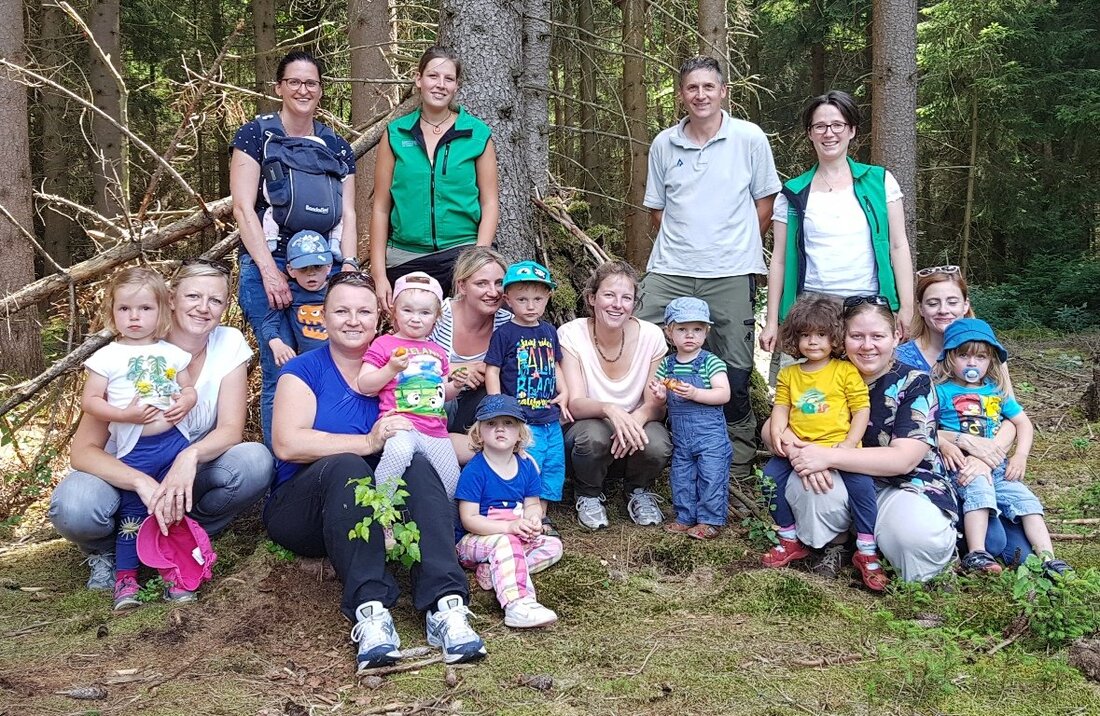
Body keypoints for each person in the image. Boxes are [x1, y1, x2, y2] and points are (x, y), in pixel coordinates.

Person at [266, 271, 485, 670]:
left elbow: (429, 433)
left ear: (378, 316)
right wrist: (368, 442)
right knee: (349, 465)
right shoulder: (304, 370)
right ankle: (371, 610)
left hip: (377, 508)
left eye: (363, 311)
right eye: (342, 311)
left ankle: (445, 605)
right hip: (306, 508)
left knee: (418, 462)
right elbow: (288, 444)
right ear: (323, 315)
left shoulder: (403, 365)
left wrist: (490, 446)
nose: (353, 320)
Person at [49, 259, 272, 593]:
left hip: (183, 474)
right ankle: (109, 549)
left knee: (255, 461)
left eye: (216, 300)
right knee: (74, 506)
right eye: (193, 296)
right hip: (125, 473)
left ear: (226, 307)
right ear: (171, 298)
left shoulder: (229, 343)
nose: (203, 308)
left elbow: (229, 430)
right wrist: (140, 482)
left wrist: (189, 457)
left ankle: (180, 537)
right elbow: (82, 452)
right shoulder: (132, 349)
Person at [639, 55, 782, 480]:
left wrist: (731, 246)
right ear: (681, 94)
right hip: (671, 266)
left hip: (732, 269)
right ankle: (648, 438)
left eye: (708, 87)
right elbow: (657, 209)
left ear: (723, 92)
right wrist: (690, 246)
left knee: (734, 360)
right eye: (691, 88)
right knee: (644, 340)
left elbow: (765, 202)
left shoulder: (749, 138)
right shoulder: (665, 143)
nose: (700, 95)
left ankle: (736, 452)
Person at [776, 296, 959, 583]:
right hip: (839, 477)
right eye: (856, 336)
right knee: (808, 485)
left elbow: (904, 459)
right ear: (841, 337)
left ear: (896, 336)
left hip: (904, 484)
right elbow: (775, 422)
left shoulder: (915, 382)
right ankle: (836, 545)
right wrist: (789, 442)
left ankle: (919, 562)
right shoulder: (820, 371)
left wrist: (828, 456)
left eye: (878, 336)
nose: (867, 345)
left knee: (915, 537)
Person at [231, 50, 359, 444]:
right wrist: (270, 271)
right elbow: (243, 206)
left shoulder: (337, 147)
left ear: (321, 91)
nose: (303, 89)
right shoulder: (256, 136)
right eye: (295, 82)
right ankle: (283, 467)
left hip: (326, 266)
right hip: (270, 259)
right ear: (279, 87)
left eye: (311, 83)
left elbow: (348, 213)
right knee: (280, 365)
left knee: (329, 361)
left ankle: (322, 454)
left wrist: (350, 267)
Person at [79, 267, 200, 608]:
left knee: (173, 509)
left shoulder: (172, 353)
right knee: (133, 515)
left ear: (163, 311)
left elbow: (188, 387)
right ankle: (126, 579)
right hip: (136, 451)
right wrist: (124, 415)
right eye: (124, 309)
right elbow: (90, 402)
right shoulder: (106, 357)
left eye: (145, 309)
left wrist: (186, 401)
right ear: (111, 312)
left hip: (174, 444)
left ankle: (174, 571)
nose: (134, 317)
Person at [761, 90, 915, 349]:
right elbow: (779, 259)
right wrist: (772, 321)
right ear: (810, 133)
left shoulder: (880, 182)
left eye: (837, 125)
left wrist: (907, 308)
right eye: (819, 126)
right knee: (809, 388)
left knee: (871, 387)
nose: (828, 133)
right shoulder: (793, 192)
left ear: (852, 130)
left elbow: (899, 246)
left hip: (869, 310)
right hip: (811, 312)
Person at [898, 265, 1030, 565]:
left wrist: (985, 456)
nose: (943, 310)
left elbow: (1008, 416)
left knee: (1021, 554)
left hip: (985, 464)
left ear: (966, 304)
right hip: (933, 461)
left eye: (952, 301)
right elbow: (900, 424)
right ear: (920, 307)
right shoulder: (905, 357)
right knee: (993, 541)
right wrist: (955, 441)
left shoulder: (986, 351)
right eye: (933, 302)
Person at [758, 295, 886, 591]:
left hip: (838, 448)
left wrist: (849, 444)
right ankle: (789, 538)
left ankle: (866, 551)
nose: (812, 342)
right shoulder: (790, 373)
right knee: (768, 481)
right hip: (798, 447)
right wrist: (780, 435)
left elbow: (860, 410)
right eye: (805, 335)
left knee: (863, 490)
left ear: (835, 337)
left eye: (820, 335)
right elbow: (781, 408)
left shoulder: (844, 371)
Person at [933, 318, 1069, 577]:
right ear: (950, 357)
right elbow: (925, 426)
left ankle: (1049, 559)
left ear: (991, 360)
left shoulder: (997, 392)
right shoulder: (939, 391)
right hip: (963, 466)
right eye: (964, 355)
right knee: (979, 491)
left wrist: (1020, 455)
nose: (972, 363)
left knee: (1026, 500)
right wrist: (946, 444)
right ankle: (977, 553)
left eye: (981, 357)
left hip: (999, 466)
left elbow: (1023, 424)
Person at [370, 46, 500, 308]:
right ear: (418, 79)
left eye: (448, 79)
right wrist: (379, 274)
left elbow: (490, 203)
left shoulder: (476, 134)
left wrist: (478, 259)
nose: (440, 85)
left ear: (456, 85)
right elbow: (381, 208)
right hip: (406, 257)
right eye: (433, 76)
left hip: (462, 252)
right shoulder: (396, 133)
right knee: (413, 337)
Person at [558, 261, 672, 529]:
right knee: (593, 435)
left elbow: (657, 405)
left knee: (657, 442)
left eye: (626, 298)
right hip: (587, 429)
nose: (617, 304)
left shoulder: (652, 336)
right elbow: (574, 405)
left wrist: (635, 418)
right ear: (592, 298)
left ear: (634, 304)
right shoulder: (571, 334)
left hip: (635, 429)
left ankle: (638, 491)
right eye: (609, 295)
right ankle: (587, 493)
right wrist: (611, 410)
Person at [455, 394, 562, 628]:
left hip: (512, 537)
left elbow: (532, 503)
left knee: (553, 545)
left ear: (520, 432)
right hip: (474, 542)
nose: (500, 429)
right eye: (491, 424)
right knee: (506, 543)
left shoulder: (526, 467)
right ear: (478, 432)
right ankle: (518, 603)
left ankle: (494, 572)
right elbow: (469, 519)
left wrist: (533, 519)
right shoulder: (476, 470)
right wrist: (508, 527)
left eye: (508, 423)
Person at [357, 272, 462, 499]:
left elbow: (443, 394)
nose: (416, 318)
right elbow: (365, 384)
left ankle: (454, 530)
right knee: (398, 453)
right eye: (408, 310)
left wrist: (457, 385)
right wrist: (391, 369)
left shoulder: (438, 351)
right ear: (394, 310)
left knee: (452, 481)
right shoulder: (384, 344)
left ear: (436, 317)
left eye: (425, 312)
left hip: (436, 430)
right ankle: (380, 512)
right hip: (400, 423)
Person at [485, 260, 571, 535]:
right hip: (522, 418)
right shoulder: (505, 334)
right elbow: (492, 370)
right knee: (528, 463)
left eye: (537, 298)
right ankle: (525, 516)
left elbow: (556, 365)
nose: (530, 306)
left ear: (547, 298)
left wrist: (565, 392)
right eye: (522, 299)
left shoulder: (549, 331)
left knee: (553, 464)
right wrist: (496, 407)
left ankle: (542, 516)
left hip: (549, 416)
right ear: (508, 300)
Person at [648, 297, 732, 540]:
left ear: (706, 332)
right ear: (669, 332)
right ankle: (685, 517)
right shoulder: (667, 365)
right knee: (682, 476)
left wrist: (696, 393)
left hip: (710, 437)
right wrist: (661, 395)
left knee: (711, 475)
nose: (689, 335)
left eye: (697, 329)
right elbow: (660, 398)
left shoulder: (710, 362)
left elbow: (723, 393)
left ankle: (709, 520)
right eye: (682, 329)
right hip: (682, 436)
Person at [429, 247, 512, 462]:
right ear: (462, 285)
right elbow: (413, 363)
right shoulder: (438, 314)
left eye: (499, 283)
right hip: (435, 405)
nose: (493, 292)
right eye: (481, 283)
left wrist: (489, 368)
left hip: (476, 410)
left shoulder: (507, 323)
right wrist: (460, 370)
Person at [262, 230, 334, 367]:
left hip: (342, 359)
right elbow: (269, 324)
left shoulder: (337, 289)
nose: (311, 273)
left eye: (318, 267)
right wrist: (277, 344)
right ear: (291, 270)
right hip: (308, 362)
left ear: (329, 267)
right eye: (303, 268)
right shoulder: (289, 292)